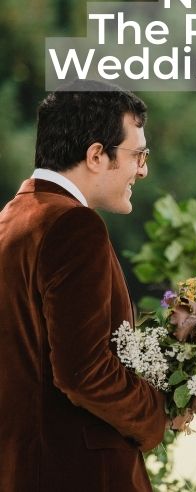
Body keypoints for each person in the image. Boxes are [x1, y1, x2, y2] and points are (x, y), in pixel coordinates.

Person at [0, 81, 169, 492]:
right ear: (96, 155)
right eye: (138, 154)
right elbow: (83, 372)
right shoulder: (75, 225)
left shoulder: (11, 218)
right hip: (77, 471)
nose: (143, 169)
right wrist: (157, 414)